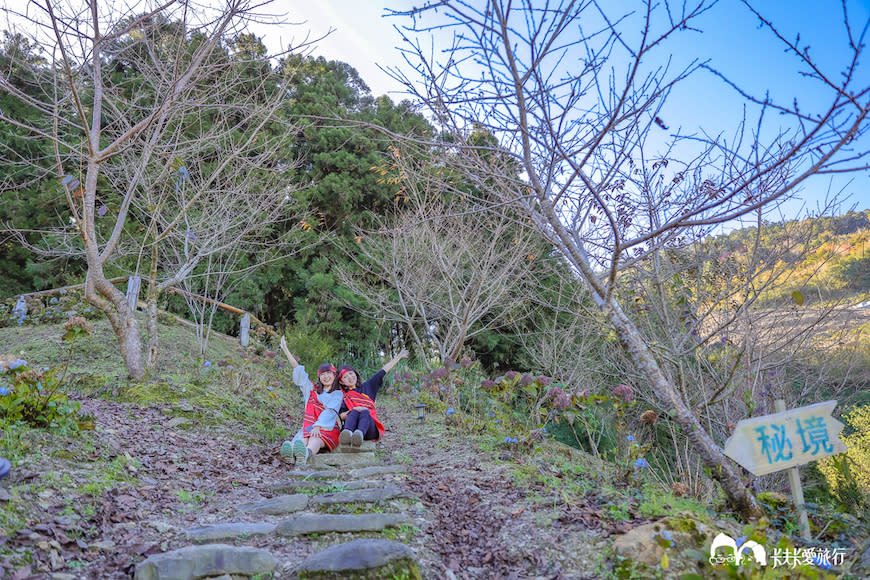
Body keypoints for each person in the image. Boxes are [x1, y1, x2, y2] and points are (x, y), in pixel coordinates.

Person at [278, 336, 343, 465]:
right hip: (309, 426)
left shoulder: (337, 393)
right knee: (302, 439)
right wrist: (285, 349)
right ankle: (291, 455)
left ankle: (305, 455)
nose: (326, 376)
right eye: (322, 374)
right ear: (319, 377)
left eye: (329, 373)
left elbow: (330, 411)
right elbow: (299, 371)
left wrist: (318, 426)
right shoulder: (311, 390)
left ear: (334, 375)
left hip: (328, 427)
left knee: (315, 438)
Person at [337, 348, 409, 448]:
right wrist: (353, 410)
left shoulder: (368, 386)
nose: (349, 377)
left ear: (355, 373)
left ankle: (359, 435)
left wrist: (399, 357)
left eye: (351, 373)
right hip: (352, 425)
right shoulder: (343, 395)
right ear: (341, 382)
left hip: (369, 428)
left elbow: (383, 371)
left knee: (365, 411)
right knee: (354, 412)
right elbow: (340, 416)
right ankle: (347, 435)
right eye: (345, 377)